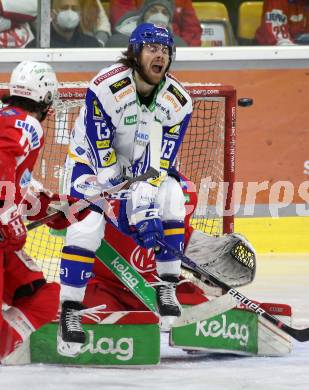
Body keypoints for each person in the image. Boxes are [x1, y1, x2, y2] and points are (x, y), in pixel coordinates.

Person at [57, 22, 193, 357]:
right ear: (134, 52)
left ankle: (167, 285)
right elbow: (105, 165)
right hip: (90, 164)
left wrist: (145, 213)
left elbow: (156, 168)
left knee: (173, 196)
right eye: (151, 48)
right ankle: (70, 310)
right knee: (87, 226)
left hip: (138, 170)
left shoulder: (178, 104)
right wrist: (124, 213)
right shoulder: (106, 87)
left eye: (165, 50)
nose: (159, 55)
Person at [0, 61, 91, 361]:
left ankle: (5, 347)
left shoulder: (9, 118)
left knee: (44, 295)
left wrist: (52, 206)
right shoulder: (28, 124)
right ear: (46, 98)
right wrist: (7, 214)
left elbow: (18, 183)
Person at [109, 0, 202, 46]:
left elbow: (192, 29)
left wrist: (184, 49)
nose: (159, 16)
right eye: (153, 11)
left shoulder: (178, 43)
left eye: (165, 13)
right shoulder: (119, 40)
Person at [26, 0, 102, 48]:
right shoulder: (37, 46)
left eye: (74, 9)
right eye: (64, 8)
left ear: (80, 14)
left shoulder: (92, 44)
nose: (70, 12)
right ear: (52, 13)